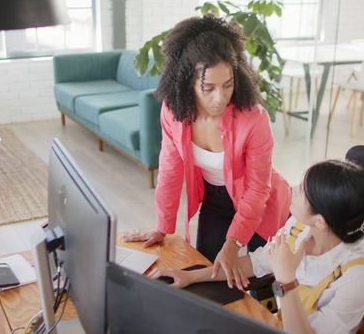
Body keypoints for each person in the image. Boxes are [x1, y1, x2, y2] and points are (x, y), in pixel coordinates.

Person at [123, 15, 291, 291]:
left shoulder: (254, 118)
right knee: (206, 278)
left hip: (263, 205)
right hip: (216, 200)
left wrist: (234, 243)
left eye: (227, 85)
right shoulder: (174, 113)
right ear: (187, 82)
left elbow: (257, 190)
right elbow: (169, 171)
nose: (220, 98)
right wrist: (163, 227)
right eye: (208, 88)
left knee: (261, 285)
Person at [149, 160, 364, 334]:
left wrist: (287, 280)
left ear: (320, 220)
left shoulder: (359, 272)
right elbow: (256, 262)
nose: (293, 190)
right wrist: (190, 276)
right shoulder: (300, 227)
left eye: (302, 192)